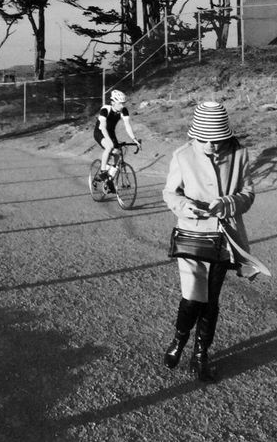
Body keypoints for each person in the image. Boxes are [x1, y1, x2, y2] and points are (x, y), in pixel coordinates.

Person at [160, 101, 256, 382]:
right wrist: (183, 206)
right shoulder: (182, 155)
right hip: (191, 235)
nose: (211, 146)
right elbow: (169, 193)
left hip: (224, 237)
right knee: (192, 296)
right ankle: (178, 341)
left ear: (225, 135)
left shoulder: (239, 154)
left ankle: (201, 355)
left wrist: (227, 203)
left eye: (216, 140)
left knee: (211, 300)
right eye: (204, 140)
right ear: (195, 135)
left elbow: (248, 193)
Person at [93, 89, 139, 193]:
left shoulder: (123, 110)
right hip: (100, 131)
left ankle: (109, 179)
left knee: (117, 154)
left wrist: (134, 139)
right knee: (109, 147)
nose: (122, 106)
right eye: (120, 103)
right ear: (113, 102)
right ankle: (103, 171)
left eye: (123, 103)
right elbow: (103, 128)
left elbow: (127, 126)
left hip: (111, 132)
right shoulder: (105, 109)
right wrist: (109, 142)